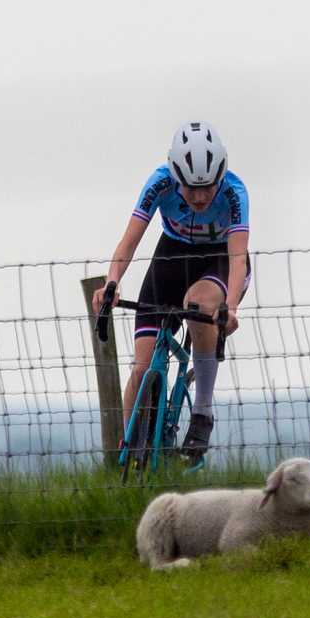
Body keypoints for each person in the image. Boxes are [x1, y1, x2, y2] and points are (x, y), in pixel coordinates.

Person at [93, 121, 250, 459]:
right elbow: (129, 242)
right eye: (190, 187)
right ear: (174, 176)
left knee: (197, 303)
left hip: (218, 261)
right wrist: (112, 282)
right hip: (172, 256)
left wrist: (231, 307)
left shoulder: (235, 193)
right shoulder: (159, 182)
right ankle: (132, 456)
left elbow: (238, 258)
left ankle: (202, 412)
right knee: (141, 368)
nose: (199, 196)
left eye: (207, 186)